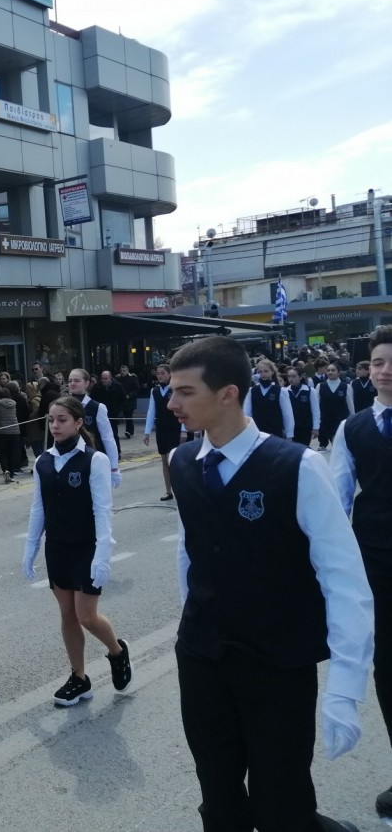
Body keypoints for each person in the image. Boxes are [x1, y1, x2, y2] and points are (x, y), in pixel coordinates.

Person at [166, 335, 373, 832]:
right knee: (218, 796)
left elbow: (344, 578)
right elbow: (189, 553)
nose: (171, 403)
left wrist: (345, 689)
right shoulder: (182, 464)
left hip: (277, 664)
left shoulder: (296, 466)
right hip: (204, 659)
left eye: (185, 392)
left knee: (282, 803)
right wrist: (194, 625)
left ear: (228, 394)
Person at [22, 396, 131, 707]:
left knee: (87, 616)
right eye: (52, 420)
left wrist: (103, 554)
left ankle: (117, 652)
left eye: (62, 420)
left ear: (79, 423)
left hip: (87, 547)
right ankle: (79, 678)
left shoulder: (93, 460)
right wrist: (30, 548)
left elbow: (102, 509)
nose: (55, 425)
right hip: (57, 548)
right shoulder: (43, 461)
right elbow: (38, 509)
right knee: (67, 615)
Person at [330, 324, 392, 821]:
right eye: (377, 362)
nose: (385, 370)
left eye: (391, 361)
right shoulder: (352, 430)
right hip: (377, 564)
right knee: (389, 671)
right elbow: (337, 502)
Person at [66, 369, 121, 488]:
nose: (72, 383)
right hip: (70, 458)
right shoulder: (63, 406)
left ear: (87, 383)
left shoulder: (97, 407)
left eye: (76, 380)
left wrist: (114, 467)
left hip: (93, 458)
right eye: (70, 381)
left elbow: (108, 437)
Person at [143, 363, 186, 501]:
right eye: (158, 373)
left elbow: (183, 407)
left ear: (169, 374)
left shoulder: (175, 389)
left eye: (163, 373)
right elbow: (151, 411)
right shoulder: (154, 391)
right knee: (164, 460)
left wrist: (184, 430)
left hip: (175, 427)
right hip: (161, 428)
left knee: (174, 459)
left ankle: (180, 488)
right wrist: (147, 431)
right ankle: (168, 491)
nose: (160, 375)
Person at [242, 358, 293, 439]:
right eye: (260, 372)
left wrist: (289, 434)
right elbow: (247, 413)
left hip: (276, 432)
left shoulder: (281, 390)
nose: (263, 374)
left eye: (266, 371)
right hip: (258, 432)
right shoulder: (251, 391)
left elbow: (287, 414)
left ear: (272, 372)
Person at [0, 385, 20, 484]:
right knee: (12, 452)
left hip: (2, 431)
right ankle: (11, 473)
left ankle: (5, 470)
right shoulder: (14, 403)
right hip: (15, 431)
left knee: (2, 452)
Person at [89, 370, 127, 453]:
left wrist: (118, 410)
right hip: (100, 414)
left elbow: (123, 399)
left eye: (106, 378)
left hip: (113, 414)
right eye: (102, 378)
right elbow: (92, 399)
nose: (104, 380)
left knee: (114, 434)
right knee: (100, 434)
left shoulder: (117, 386)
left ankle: (117, 451)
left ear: (110, 378)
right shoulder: (97, 387)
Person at [317, 362, 350, 450]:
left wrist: (352, 420)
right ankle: (323, 444)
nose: (330, 372)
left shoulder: (346, 386)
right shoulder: (320, 386)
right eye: (328, 370)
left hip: (340, 420)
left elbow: (351, 405)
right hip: (325, 421)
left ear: (339, 372)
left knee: (339, 445)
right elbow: (317, 405)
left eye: (333, 370)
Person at [287, 366, 320, 447]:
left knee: (303, 448)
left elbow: (315, 410)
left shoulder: (310, 391)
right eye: (289, 376)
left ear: (301, 377)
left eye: (294, 376)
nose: (291, 379)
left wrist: (316, 427)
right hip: (291, 427)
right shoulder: (285, 391)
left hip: (305, 427)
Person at [116, 365, 140, 438]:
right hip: (121, 401)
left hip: (129, 401)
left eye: (124, 371)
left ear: (127, 371)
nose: (122, 372)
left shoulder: (132, 378)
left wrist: (129, 395)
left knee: (128, 416)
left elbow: (137, 389)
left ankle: (129, 431)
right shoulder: (118, 378)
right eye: (121, 371)